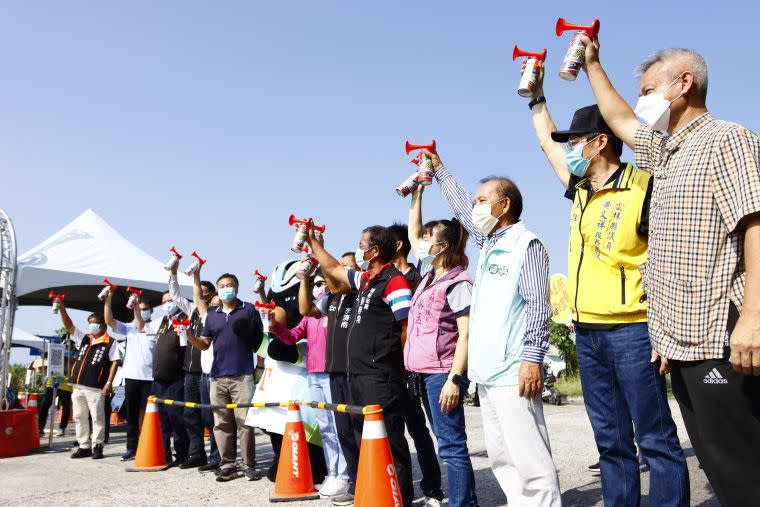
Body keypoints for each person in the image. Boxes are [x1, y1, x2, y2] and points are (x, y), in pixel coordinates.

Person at [578, 36, 760, 506]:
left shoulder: (727, 138)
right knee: (717, 463)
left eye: (648, 89)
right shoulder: (665, 152)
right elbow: (619, 118)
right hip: (680, 343)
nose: (641, 100)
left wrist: (754, 318)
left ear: (684, 83)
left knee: (741, 463)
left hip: (721, 335)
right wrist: (593, 63)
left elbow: (756, 223)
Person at [525, 61, 689, 506]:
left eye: (576, 141)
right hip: (588, 333)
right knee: (612, 444)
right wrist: (538, 98)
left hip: (635, 331)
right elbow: (547, 144)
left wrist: (664, 327)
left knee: (656, 440)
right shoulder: (579, 188)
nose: (570, 149)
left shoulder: (645, 185)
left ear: (600, 142)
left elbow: (669, 260)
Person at [430, 150, 561, 505]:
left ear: (504, 206)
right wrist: (440, 169)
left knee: (531, 459)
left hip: (513, 370)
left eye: (483, 201)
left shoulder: (526, 244)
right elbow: (460, 209)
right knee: (503, 458)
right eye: (476, 202)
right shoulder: (489, 243)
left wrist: (532, 358)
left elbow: (538, 305)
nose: (476, 208)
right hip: (486, 373)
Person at [306, 225, 414, 507]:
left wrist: (399, 368)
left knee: (390, 443)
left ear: (375, 250)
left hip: (380, 376)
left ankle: (398, 498)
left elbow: (406, 327)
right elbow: (332, 268)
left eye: (362, 244)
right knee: (363, 440)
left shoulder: (395, 282)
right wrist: (313, 242)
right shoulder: (366, 280)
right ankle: (373, 495)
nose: (359, 249)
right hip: (357, 376)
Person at [406, 183, 479, 507]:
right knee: (443, 442)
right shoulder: (428, 275)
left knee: (451, 444)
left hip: (441, 376)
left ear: (442, 247)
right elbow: (412, 233)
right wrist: (417, 194)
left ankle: (464, 503)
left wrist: (454, 378)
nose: (421, 242)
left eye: (428, 239)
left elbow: (466, 334)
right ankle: (467, 500)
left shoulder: (458, 281)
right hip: (422, 375)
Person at [268, 267, 349, 498]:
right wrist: (275, 327)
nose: (319, 287)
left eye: (323, 283)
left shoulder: (337, 311)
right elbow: (292, 336)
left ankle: (344, 475)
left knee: (338, 426)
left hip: (333, 373)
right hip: (314, 375)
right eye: (315, 284)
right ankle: (332, 473)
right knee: (325, 427)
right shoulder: (310, 316)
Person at [388, 222, 445, 507]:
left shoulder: (420, 275)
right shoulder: (383, 280)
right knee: (407, 432)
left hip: (426, 367)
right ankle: (410, 490)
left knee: (432, 432)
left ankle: (434, 490)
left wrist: (417, 194)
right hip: (398, 370)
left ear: (397, 245)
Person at [189, 273, 264, 482]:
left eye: (229, 285)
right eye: (221, 286)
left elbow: (260, 340)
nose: (225, 289)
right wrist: (188, 335)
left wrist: (259, 366)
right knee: (221, 424)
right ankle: (228, 465)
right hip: (217, 376)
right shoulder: (212, 315)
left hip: (243, 374)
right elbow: (204, 344)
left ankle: (249, 465)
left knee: (245, 423)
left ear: (237, 288)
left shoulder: (249, 309)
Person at [169, 262, 217, 470]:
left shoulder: (214, 314)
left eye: (206, 294)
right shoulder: (191, 311)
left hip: (208, 373)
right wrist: (173, 272)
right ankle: (197, 454)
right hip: (190, 374)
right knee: (191, 416)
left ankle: (217, 457)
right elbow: (176, 295)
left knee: (211, 416)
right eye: (200, 294)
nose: (202, 297)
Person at [57, 302, 120, 459]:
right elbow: (69, 325)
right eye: (90, 323)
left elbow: (115, 362)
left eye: (95, 323)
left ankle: (97, 445)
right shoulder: (84, 338)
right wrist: (62, 308)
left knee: (97, 417)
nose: (91, 326)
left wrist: (109, 382)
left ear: (103, 326)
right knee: (79, 416)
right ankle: (83, 445)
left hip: (96, 387)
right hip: (77, 385)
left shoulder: (110, 342)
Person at [103, 289, 156, 461]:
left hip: (150, 378)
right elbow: (109, 321)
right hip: (132, 377)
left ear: (151, 310)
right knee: (132, 415)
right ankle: (131, 448)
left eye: (145, 308)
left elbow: (141, 324)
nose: (142, 311)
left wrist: (136, 307)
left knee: (147, 415)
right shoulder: (128, 328)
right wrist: (108, 300)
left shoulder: (155, 327)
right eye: (139, 308)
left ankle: (146, 445)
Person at [150, 292, 190, 467]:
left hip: (176, 379)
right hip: (159, 380)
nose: (167, 304)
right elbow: (140, 326)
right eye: (164, 301)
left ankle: (182, 454)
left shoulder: (184, 321)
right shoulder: (164, 321)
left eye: (170, 300)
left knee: (177, 419)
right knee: (162, 420)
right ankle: (164, 455)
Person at [38, 370, 73, 437]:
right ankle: (40, 428)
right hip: (52, 381)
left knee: (65, 406)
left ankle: (62, 428)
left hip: (66, 384)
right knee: (44, 405)